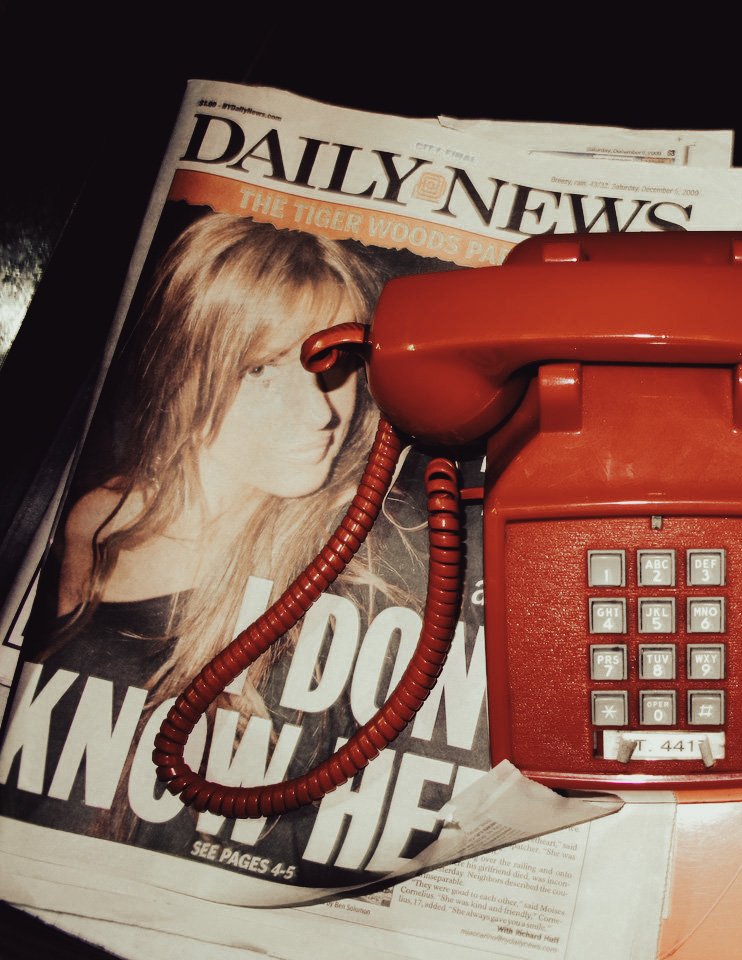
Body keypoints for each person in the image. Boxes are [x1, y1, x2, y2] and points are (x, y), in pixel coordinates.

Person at [1, 211, 416, 878]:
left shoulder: (347, 570)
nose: (323, 413)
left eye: (334, 366)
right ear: (188, 365)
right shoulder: (95, 514)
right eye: (262, 370)